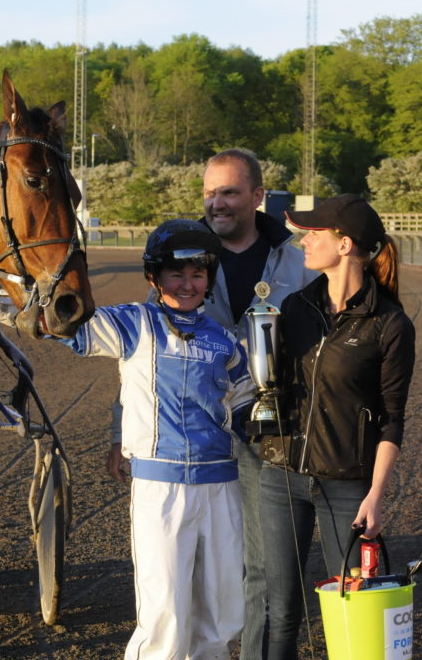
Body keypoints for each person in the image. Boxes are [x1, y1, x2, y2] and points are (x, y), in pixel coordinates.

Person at [106, 149, 316, 660]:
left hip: (277, 432)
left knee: (260, 571)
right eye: (209, 193)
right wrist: (120, 432)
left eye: (229, 192)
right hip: (200, 444)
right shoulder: (185, 254)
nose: (216, 203)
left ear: (257, 196)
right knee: (185, 585)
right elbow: (147, 356)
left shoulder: (297, 258)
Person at [65, 219, 255, 660]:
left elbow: (245, 404)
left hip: (222, 484)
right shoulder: (132, 323)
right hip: (161, 485)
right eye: (176, 273)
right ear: (154, 276)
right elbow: (67, 326)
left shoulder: (225, 340)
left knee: (224, 611)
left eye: (198, 274)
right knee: (165, 611)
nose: (188, 284)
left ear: (209, 279)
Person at [258, 194, 416, 660]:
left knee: (349, 610)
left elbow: (392, 419)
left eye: (314, 233)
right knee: (281, 611)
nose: (304, 240)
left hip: (348, 487)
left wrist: (376, 495)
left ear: (344, 244)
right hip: (280, 477)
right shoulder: (294, 307)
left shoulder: (390, 324)